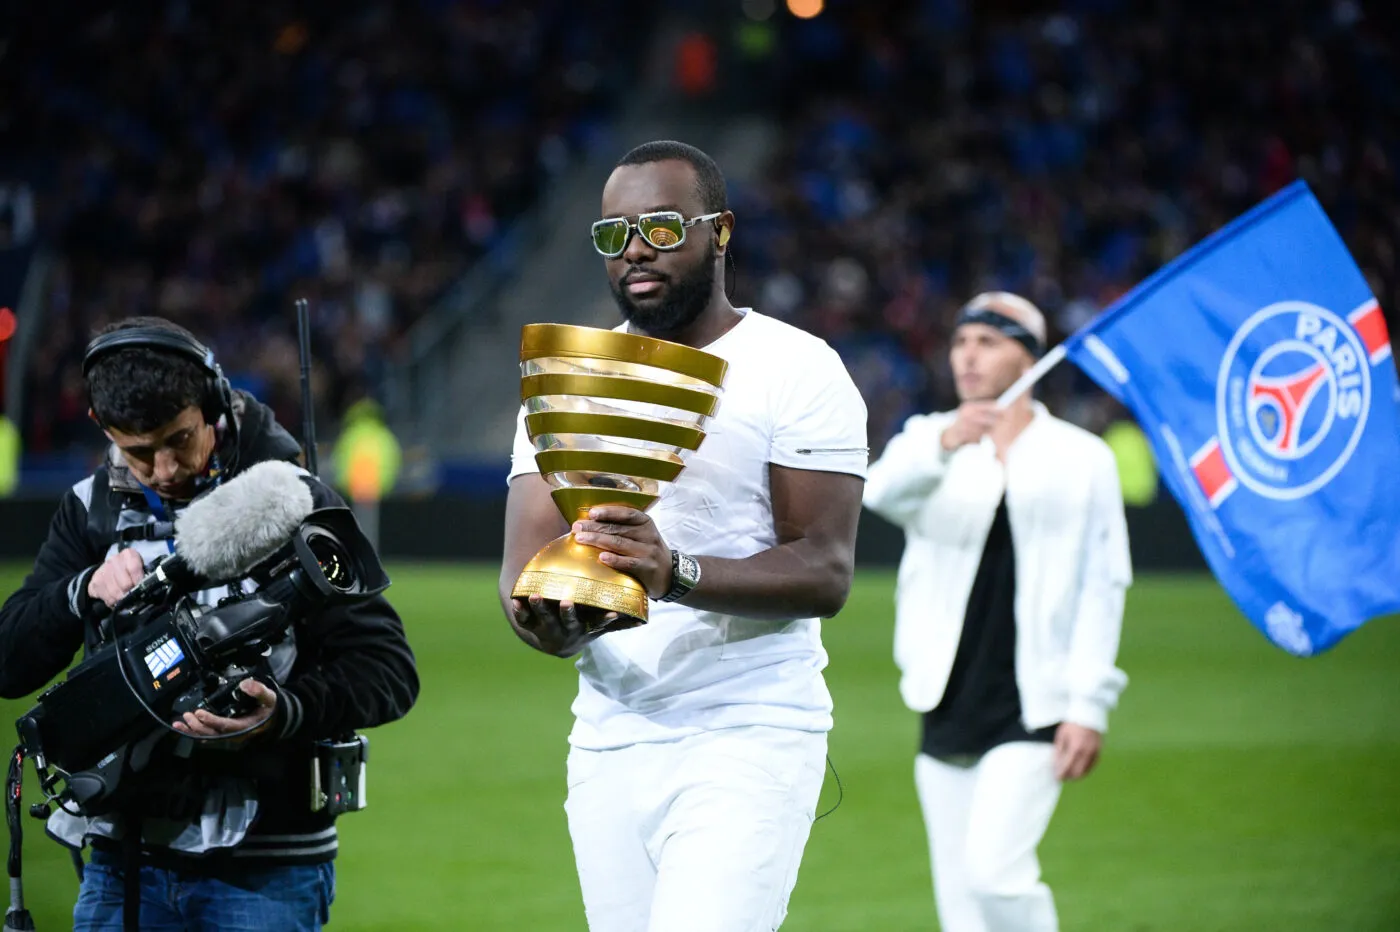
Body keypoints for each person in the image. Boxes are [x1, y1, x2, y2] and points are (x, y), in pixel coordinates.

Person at [498, 140, 868, 932]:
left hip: (749, 726)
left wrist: (677, 572)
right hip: (607, 731)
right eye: (614, 233)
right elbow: (522, 570)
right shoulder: (568, 384)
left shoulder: (794, 367)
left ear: (721, 230)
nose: (635, 248)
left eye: (662, 227)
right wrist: (549, 619)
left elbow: (826, 570)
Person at [0, 317, 419, 931]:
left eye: (179, 439)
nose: (165, 469)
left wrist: (281, 712)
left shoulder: (293, 500)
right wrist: (80, 590)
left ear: (214, 404)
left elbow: (389, 670)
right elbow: (10, 663)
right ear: (101, 428)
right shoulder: (90, 509)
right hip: (122, 857)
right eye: (138, 451)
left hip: (267, 868)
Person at [863, 292, 1132, 932]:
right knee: (960, 902)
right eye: (961, 342)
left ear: (1030, 357)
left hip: (1036, 701)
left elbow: (1104, 583)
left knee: (995, 874)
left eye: (989, 342)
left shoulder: (1082, 457)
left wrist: (1089, 704)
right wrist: (949, 442)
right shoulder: (929, 438)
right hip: (947, 695)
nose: (968, 356)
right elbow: (878, 495)